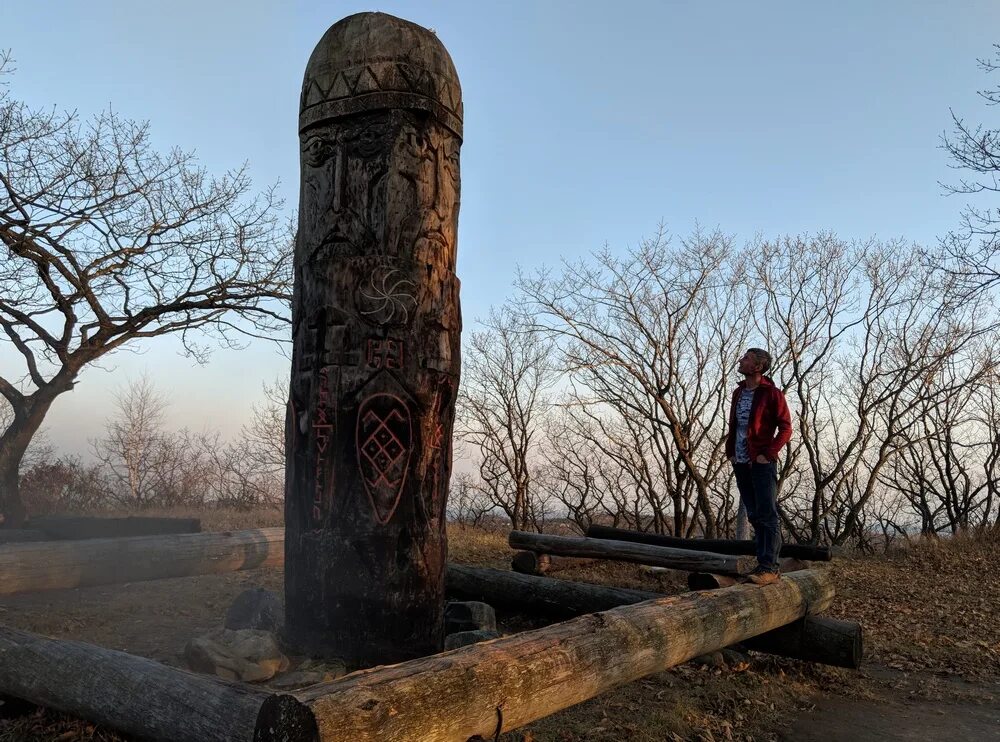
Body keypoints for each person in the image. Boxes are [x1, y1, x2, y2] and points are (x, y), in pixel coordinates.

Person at [725, 348, 792, 585]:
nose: (741, 361)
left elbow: (786, 428)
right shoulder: (738, 392)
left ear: (758, 367)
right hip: (741, 461)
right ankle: (763, 564)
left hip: (761, 462)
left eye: (746, 359)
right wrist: (731, 452)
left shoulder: (772, 394)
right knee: (754, 514)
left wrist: (768, 454)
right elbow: (736, 426)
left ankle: (769, 567)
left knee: (767, 515)